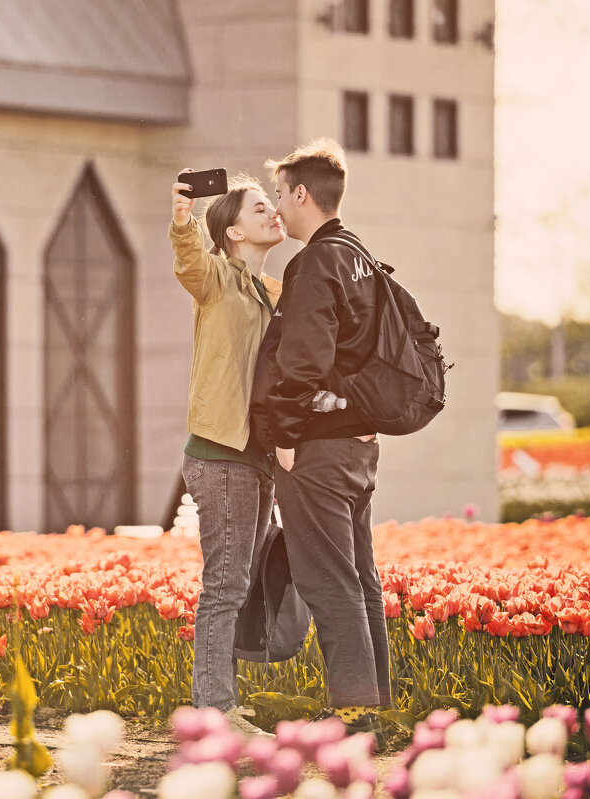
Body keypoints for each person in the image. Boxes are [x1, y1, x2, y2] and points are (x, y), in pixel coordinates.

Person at [261, 139, 389, 742]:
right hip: (359, 442)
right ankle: (374, 703)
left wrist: (284, 436)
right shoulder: (359, 255)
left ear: (303, 194)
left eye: (281, 194)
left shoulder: (313, 262)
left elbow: (303, 362)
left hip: (318, 445)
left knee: (328, 582)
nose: (276, 207)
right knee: (360, 578)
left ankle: (356, 714)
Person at [170, 171, 285, 735]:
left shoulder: (274, 291)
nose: (273, 212)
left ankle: (216, 705)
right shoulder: (216, 276)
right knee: (225, 585)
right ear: (234, 231)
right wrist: (182, 214)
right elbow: (189, 258)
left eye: (274, 204)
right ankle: (214, 712)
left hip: (256, 458)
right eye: (260, 206)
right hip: (220, 454)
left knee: (236, 583)